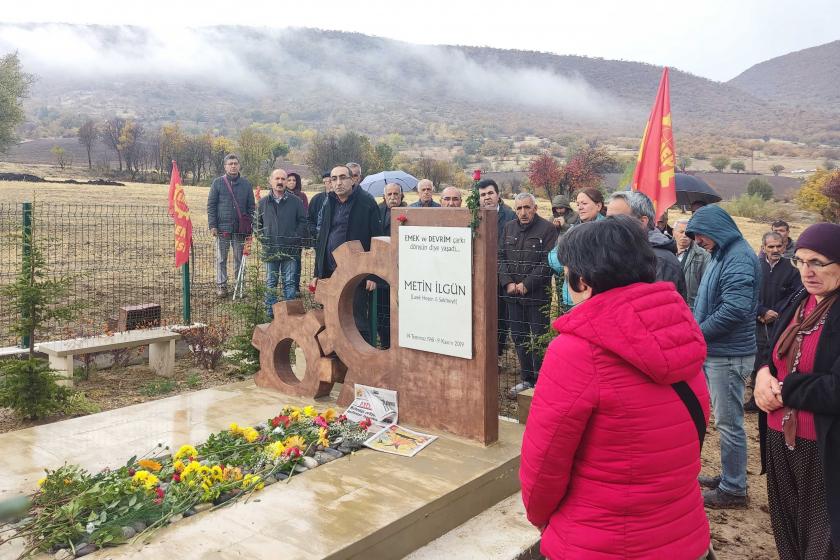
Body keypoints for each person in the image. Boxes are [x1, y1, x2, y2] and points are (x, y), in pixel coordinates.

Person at [520, 215, 711, 560]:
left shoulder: (577, 351)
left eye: (566, 276)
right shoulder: (679, 331)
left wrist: (539, 517)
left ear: (584, 279)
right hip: (683, 533)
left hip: (602, 541)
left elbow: (545, 461)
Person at [754, 222, 840, 559]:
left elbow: (836, 388)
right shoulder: (799, 299)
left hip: (824, 447)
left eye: (818, 262)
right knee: (787, 530)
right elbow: (771, 350)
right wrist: (762, 374)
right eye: (800, 261)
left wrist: (786, 388)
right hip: (779, 438)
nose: (807, 271)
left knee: (823, 542)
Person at [686, 204, 761, 508]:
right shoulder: (723, 253)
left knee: (729, 423)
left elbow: (735, 309)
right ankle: (731, 476)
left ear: (717, 228)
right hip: (719, 351)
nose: (697, 241)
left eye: (700, 234)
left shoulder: (739, 258)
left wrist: (697, 333)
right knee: (725, 421)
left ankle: (734, 489)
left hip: (729, 355)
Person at [311, 165, 382, 344]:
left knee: (356, 320)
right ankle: (335, 362)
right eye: (334, 179)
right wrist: (317, 274)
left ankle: (361, 364)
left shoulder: (366, 202)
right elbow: (323, 238)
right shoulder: (329, 202)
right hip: (330, 272)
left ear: (353, 180)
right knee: (331, 316)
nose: (338, 182)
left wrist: (373, 274)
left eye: (343, 177)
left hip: (356, 274)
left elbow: (377, 238)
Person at [499, 193, 558, 397]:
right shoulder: (508, 228)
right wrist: (507, 282)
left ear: (535, 208)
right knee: (518, 337)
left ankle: (542, 381)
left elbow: (548, 262)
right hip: (513, 296)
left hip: (537, 297)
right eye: (519, 208)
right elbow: (500, 257)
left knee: (539, 338)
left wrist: (526, 284)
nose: (523, 212)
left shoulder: (548, 229)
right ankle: (527, 378)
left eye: (527, 208)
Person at [745, 232, 802, 413]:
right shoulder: (755, 266)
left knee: (774, 358)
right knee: (756, 358)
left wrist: (775, 312)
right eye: (771, 246)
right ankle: (756, 397)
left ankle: (773, 396)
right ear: (763, 248)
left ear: (784, 247)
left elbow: (795, 295)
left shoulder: (792, 269)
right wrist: (761, 311)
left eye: (779, 246)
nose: (775, 250)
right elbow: (748, 292)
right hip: (757, 320)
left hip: (780, 322)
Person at [606, 191, 687, 301]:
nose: (608, 225)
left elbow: (659, 311)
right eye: (608, 219)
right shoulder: (618, 251)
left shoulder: (659, 260)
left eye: (617, 219)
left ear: (642, 221)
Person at [257, 169, 307, 317]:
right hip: (270, 250)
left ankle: (289, 315)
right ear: (270, 181)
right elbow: (256, 224)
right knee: (271, 282)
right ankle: (270, 313)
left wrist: (294, 238)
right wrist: (264, 239)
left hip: (290, 250)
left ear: (287, 182)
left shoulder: (296, 202)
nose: (280, 182)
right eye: (277, 178)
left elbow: (303, 222)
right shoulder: (263, 203)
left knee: (290, 283)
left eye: (283, 179)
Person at [547, 188, 606, 311]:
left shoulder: (607, 231)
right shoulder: (572, 230)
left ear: (598, 205)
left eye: (584, 203)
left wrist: (570, 262)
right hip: (570, 295)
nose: (579, 207)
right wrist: (570, 262)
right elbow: (553, 257)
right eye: (578, 204)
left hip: (597, 296)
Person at [478, 179, 517, 360]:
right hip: (481, 274)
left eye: (490, 193)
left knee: (501, 316)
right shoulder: (475, 215)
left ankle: (498, 354)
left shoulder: (509, 216)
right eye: (483, 195)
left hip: (503, 274)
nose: (487, 198)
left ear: (498, 195)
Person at [207, 153, 255, 298]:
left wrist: (250, 226)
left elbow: (251, 207)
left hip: (240, 230)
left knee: (239, 258)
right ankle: (221, 286)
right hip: (222, 229)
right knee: (221, 258)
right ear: (225, 166)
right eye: (230, 164)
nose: (233, 166)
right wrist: (212, 225)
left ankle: (239, 286)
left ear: (239, 165)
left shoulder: (246, 184)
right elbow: (211, 205)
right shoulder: (217, 183)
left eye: (235, 163)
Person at [674, 218, 711, 310]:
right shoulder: (666, 253)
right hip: (670, 305)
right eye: (681, 232)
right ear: (674, 233)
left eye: (687, 233)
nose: (684, 236)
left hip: (691, 308)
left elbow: (706, 285)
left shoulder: (703, 255)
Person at [308, 172, 331, 239]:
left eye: (333, 180)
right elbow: (309, 219)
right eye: (329, 181)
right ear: (324, 183)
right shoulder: (316, 199)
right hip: (318, 238)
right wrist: (315, 232)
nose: (332, 183)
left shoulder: (341, 199)